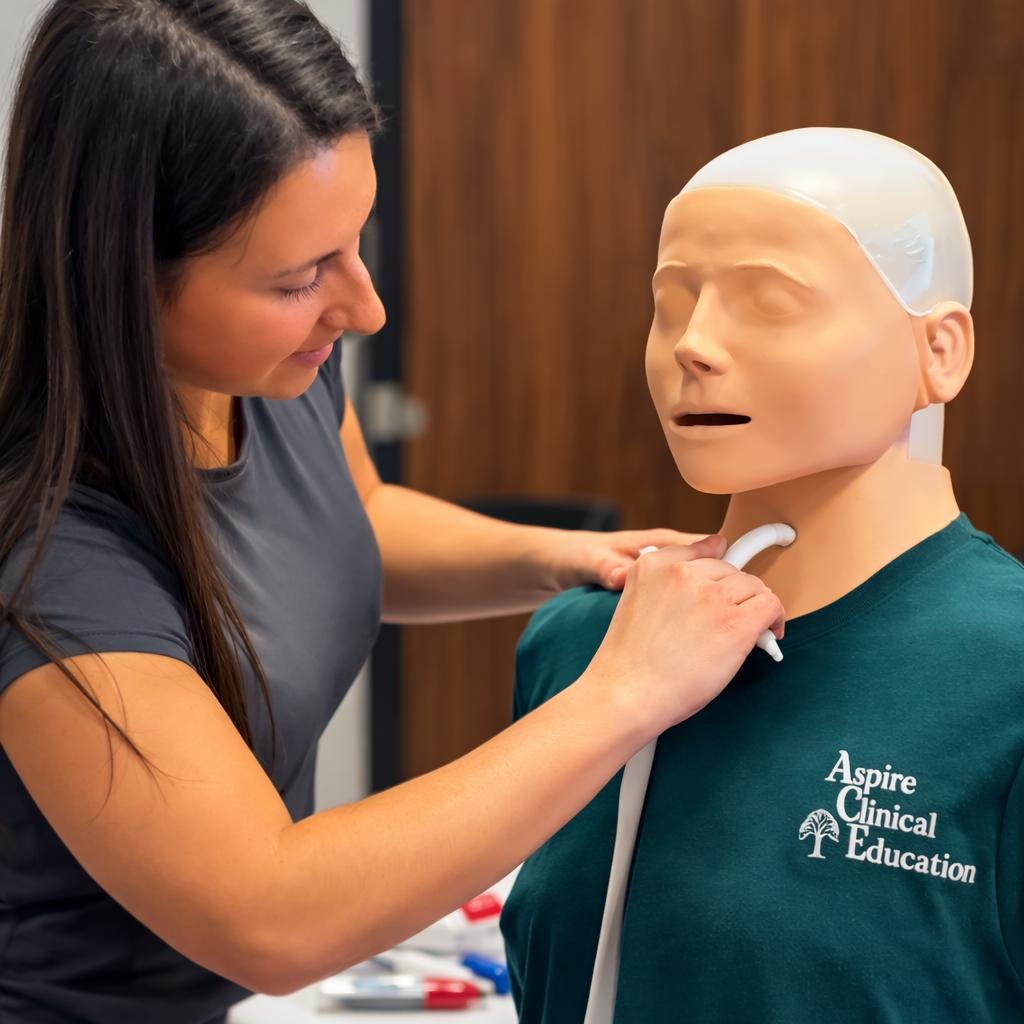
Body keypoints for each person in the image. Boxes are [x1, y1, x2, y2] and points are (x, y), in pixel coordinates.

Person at [0, 3, 785, 1022]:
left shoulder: (262, 371)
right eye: (300, 279)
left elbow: (351, 516)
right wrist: (626, 691)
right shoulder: (49, 555)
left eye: (354, 242)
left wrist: (571, 556)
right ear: (122, 278)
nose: (364, 308)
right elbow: (269, 915)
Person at [501, 128, 1024, 1022]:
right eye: (672, 304)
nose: (693, 345)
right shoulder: (580, 644)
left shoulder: (1003, 674)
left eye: (770, 301)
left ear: (939, 351)